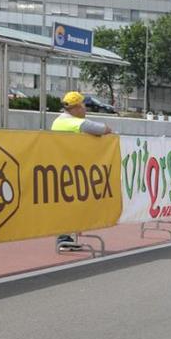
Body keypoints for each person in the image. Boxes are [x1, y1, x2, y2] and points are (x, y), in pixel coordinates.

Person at [52, 91, 112, 249]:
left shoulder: (57, 121)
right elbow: (103, 129)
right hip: (71, 170)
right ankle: (64, 238)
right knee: (70, 205)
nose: (85, 108)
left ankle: (68, 237)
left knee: (69, 205)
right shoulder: (74, 123)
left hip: (64, 168)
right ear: (76, 107)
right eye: (83, 105)